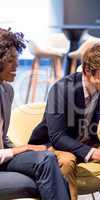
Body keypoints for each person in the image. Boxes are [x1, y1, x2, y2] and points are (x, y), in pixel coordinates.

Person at [29, 42, 100, 200]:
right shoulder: (61, 89)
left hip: (87, 143)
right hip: (54, 145)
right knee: (67, 161)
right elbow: (57, 136)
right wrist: (96, 154)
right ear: (87, 71)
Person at [0, 27, 70, 199]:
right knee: (49, 171)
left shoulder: (6, 90)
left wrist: (23, 150)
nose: (17, 65)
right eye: (10, 61)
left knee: (49, 158)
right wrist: (24, 148)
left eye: (16, 59)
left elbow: (2, 138)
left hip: (4, 158)